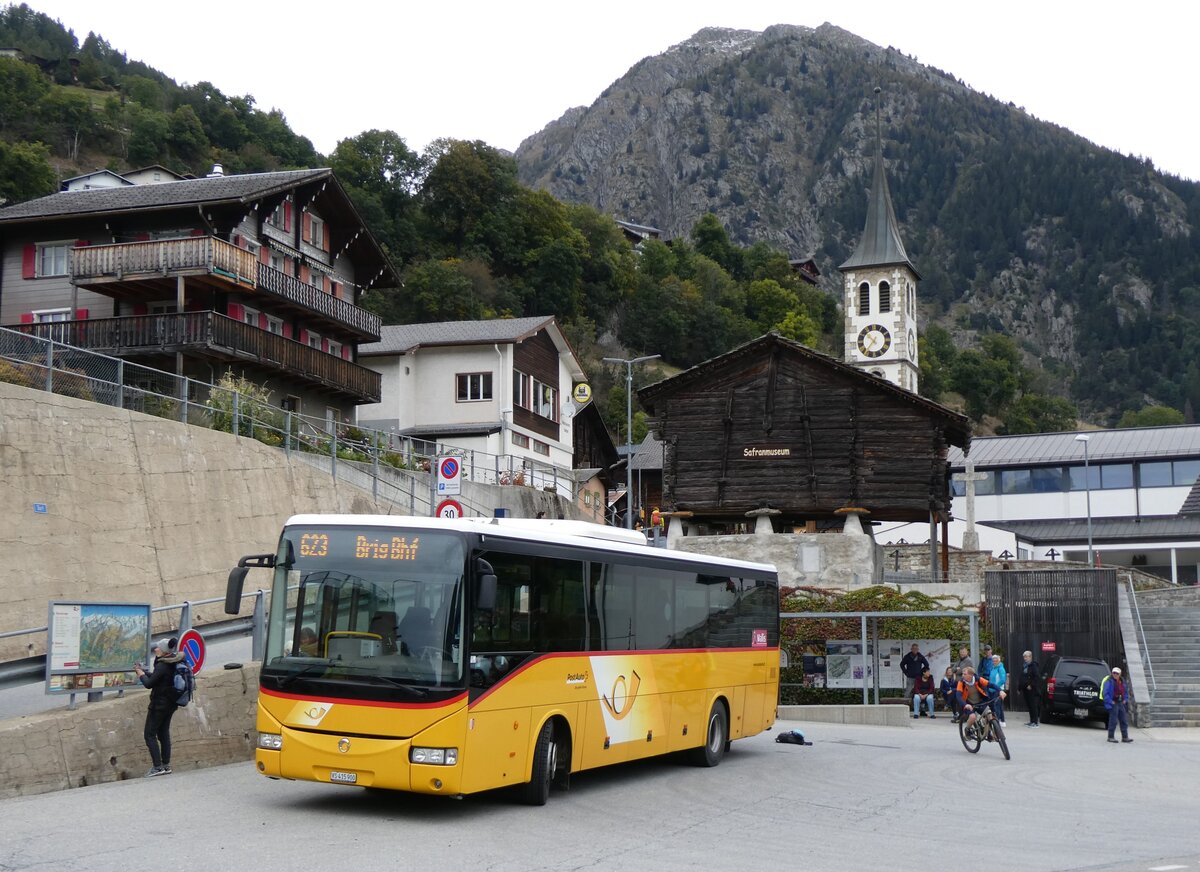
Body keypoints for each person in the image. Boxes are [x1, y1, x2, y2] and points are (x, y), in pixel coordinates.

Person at [134, 637, 186, 777]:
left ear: (163, 651)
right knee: (163, 733)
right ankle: (166, 765)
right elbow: (157, 677)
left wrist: (140, 675)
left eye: (157, 648)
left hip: (159, 705)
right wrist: (144, 672)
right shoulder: (174, 660)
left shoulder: (163, 665)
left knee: (149, 734)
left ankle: (157, 767)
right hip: (171, 703)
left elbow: (149, 684)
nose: (155, 649)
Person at [956, 666, 1005, 737]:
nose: (962, 676)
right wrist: (965, 705)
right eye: (962, 674)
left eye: (964, 674)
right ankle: (967, 730)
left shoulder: (978, 679)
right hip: (968, 704)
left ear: (971, 675)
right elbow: (958, 695)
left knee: (989, 714)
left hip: (980, 702)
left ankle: (988, 732)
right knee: (972, 717)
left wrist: (1000, 691)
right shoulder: (961, 683)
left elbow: (991, 684)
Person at [1103, 666, 1134, 744]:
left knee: (1123, 720)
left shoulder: (1122, 681)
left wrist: (1125, 700)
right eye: (1114, 673)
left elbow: (1126, 692)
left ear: (1120, 674)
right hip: (1113, 702)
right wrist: (1110, 701)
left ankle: (1125, 737)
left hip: (1120, 703)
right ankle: (1110, 737)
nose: (1115, 674)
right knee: (1113, 720)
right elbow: (1105, 693)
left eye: (1117, 673)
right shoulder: (1109, 681)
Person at [1020, 651, 1041, 727]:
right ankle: (1031, 721)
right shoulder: (1025, 666)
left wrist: (1031, 685)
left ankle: (1035, 722)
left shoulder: (1033, 665)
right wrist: (1020, 688)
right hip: (1026, 689)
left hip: (1033, 690)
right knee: (1029, 705)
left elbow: (1036, 677)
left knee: (1033, 706)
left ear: (1030, 657)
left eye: (1026, 657)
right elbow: (1022, 677)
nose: (1025, 658)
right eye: (1024, 657)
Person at [989, 653, 1008, 727]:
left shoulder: (1001, 668)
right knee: (998, 705)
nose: (994, 662)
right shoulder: (993, 668)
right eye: (993, 661)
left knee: (997, 705)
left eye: (996, 660)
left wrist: (995, 687)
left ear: (999, 661)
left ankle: (997, 722)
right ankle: (1002, 721)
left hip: (998, 690)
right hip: (992, 690)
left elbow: (1003, 680)